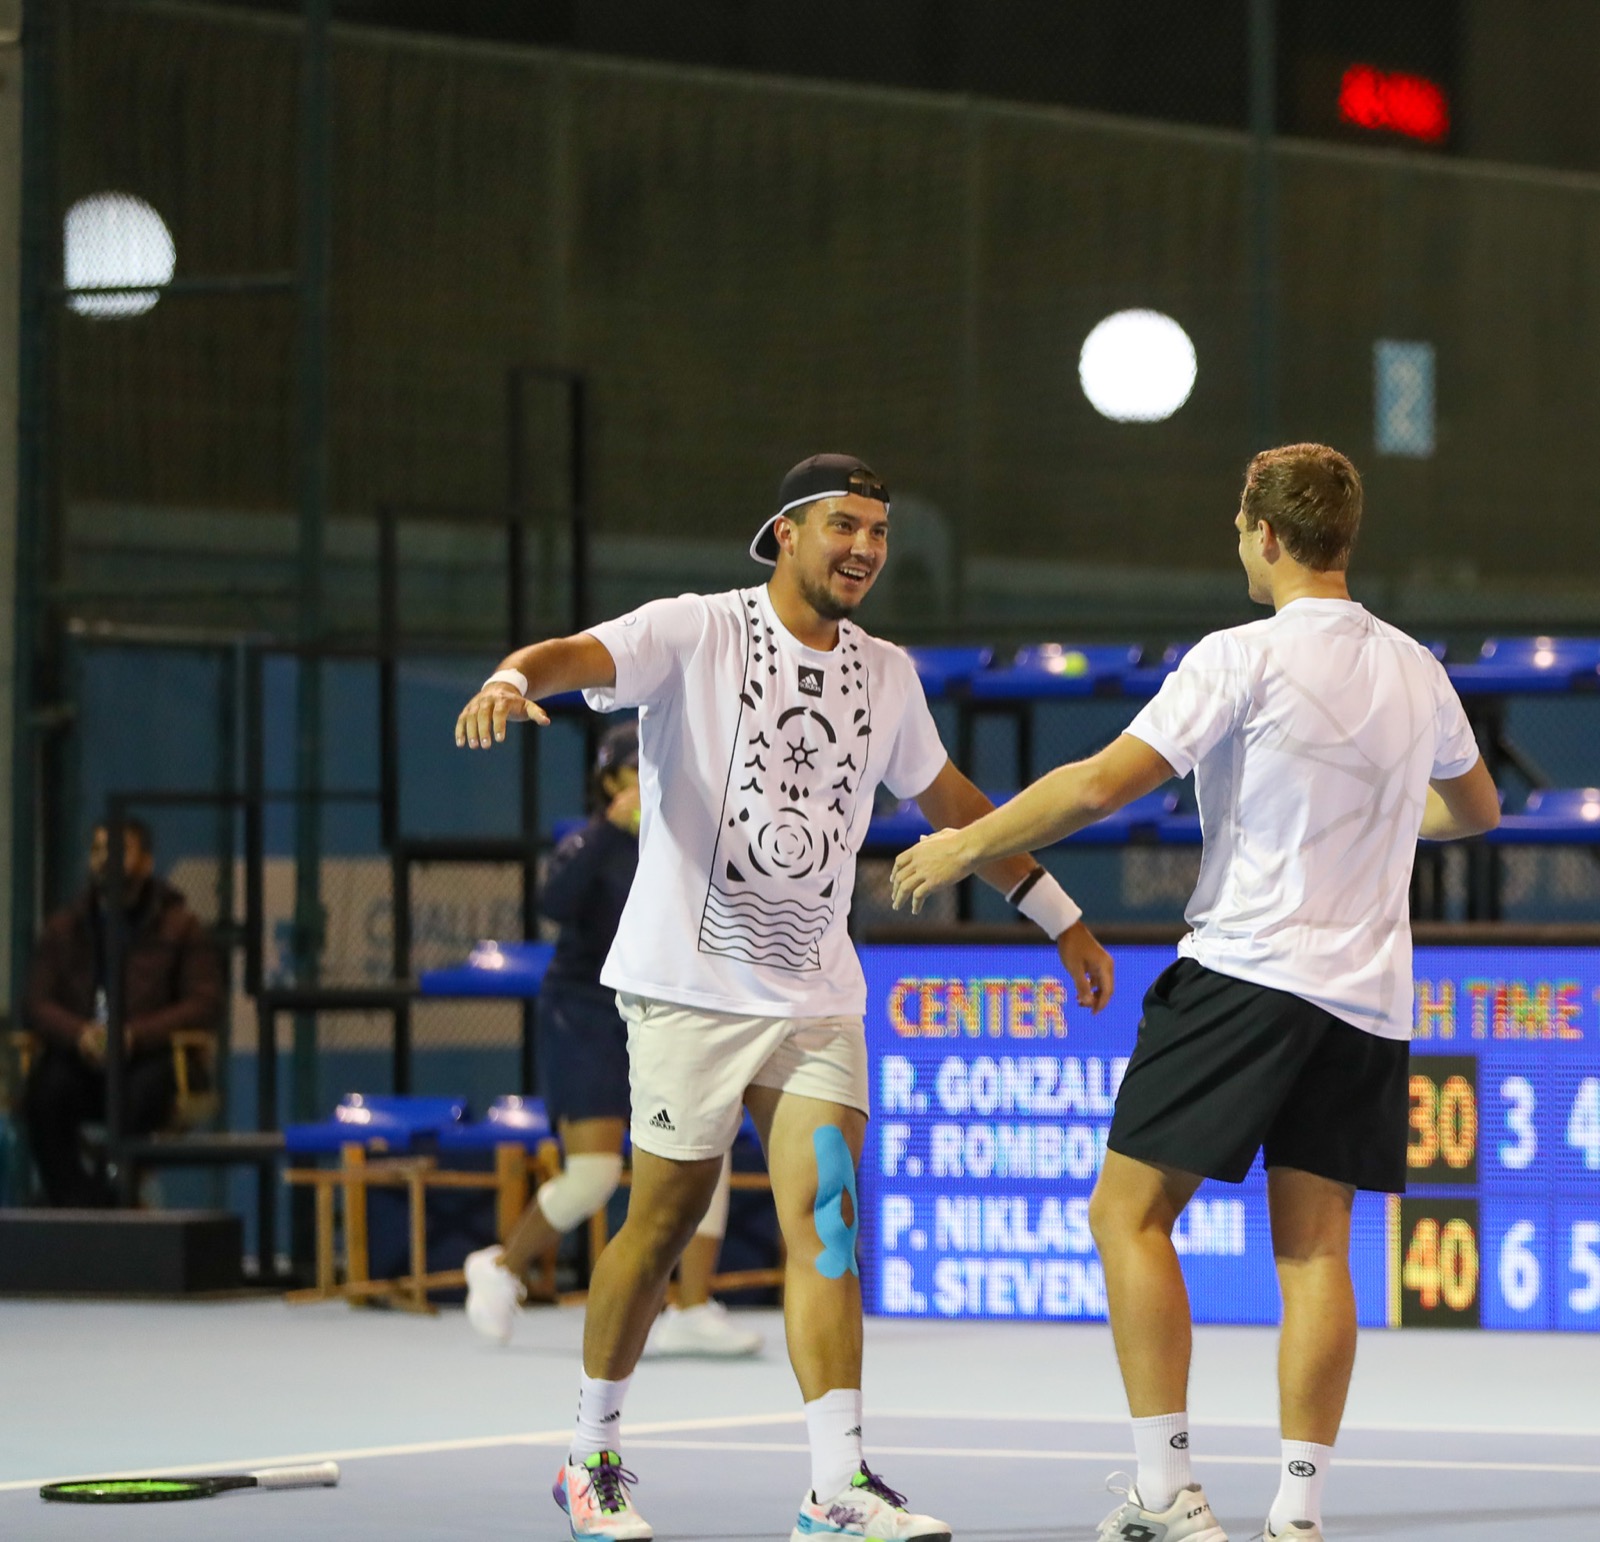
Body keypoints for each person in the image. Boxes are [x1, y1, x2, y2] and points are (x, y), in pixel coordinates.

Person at [457, 453, 1115, 1542]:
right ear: (786, 534)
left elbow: (955, 805)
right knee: (661, 1221)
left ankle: (836, 1485)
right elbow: (574, 654)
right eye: (845, 525)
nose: (866, 548)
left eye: (879, 531)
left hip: (815, 994)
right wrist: (512, 678)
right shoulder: (694, 630)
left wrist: (1059, 915)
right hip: (688, 990)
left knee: (829, 1218)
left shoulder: (887, 674)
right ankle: (588, 1459)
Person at [891, 443, 1500, 1542]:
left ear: (1265, 534)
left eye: (1238, 528)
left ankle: (1167, 1492)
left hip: (1246, 977)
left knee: (1126, 1215)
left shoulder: (1239, 656)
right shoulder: (1417, 668)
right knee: (1315, 1252)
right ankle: (1298, 1512)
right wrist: (1373, 817)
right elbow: (1477, 810)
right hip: (1368, 1001)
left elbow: (1098, 786)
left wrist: (963, 845)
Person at [464, 721, 763, 1359]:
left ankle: (692, 1309)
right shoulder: (587, 841)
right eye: (633, 772)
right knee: (594, 1176)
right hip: (585, 1017)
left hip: (665, 1013)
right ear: (610, 783)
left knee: (707, 1153)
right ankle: (502, 1268)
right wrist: (607, 830)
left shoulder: (689, 838)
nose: (648, 781)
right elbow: (553, 902)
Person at [23, 819, 224, 1207]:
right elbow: (35, 1003)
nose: (105, 859)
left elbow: (204, 1003)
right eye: (97, 850)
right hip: (83, 1055)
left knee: (141, 1094)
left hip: (151, 1057)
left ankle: (109, 1197)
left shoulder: (181, 927)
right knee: (45, 1091)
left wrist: (134, 1036)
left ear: (146, 862)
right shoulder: (65, 927)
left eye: (118, 850)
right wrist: (79, 1034)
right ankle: (78, 1203)